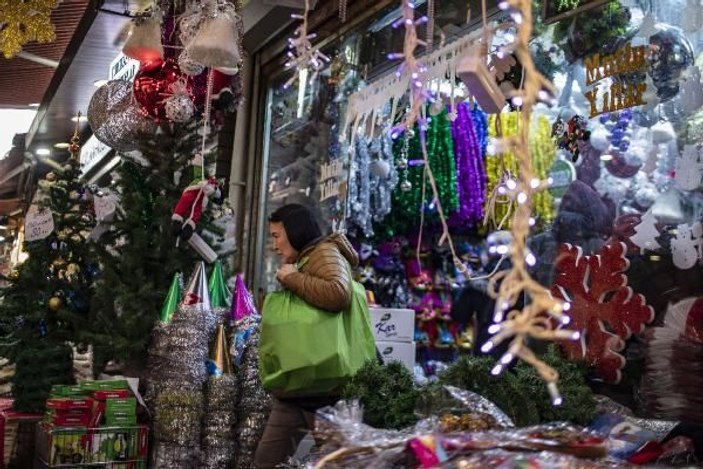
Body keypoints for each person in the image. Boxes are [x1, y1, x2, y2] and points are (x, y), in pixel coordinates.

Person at [255, 203, 360, 468]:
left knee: (335, 463)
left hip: (324, 392)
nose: (275, 245)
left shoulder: (323, 253)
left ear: (295, 231)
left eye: (277, 236)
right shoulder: (305, 257)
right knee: (265, 460)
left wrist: (292, 279)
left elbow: (339, 293)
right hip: (298, 388)